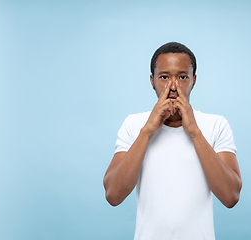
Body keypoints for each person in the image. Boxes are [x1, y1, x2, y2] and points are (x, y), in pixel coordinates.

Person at [103, 42, 242, 240]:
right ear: (152, 81)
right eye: (164, 77)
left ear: (194, 80)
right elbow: (113, 195)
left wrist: (194, 131)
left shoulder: (216, 125)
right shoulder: (134, 125)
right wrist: (147, 131)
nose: (173, 86)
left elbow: (231, 197)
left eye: (183, 77)